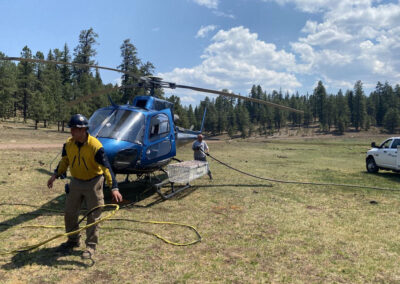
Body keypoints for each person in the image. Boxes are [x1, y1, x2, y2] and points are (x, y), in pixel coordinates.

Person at [47, 114, 123, 259]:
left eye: (75, 129)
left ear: (83, 130)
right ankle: (73, 240)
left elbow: (106, 168)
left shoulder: (95, 146)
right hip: (76, 181)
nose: (72, 132)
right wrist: (55, 175)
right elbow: (65, 161)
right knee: (70, 213)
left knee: (93, 216)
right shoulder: (68, 144)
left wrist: (114, 187)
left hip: (94, 182)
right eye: (71, 129)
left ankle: (90, 247)